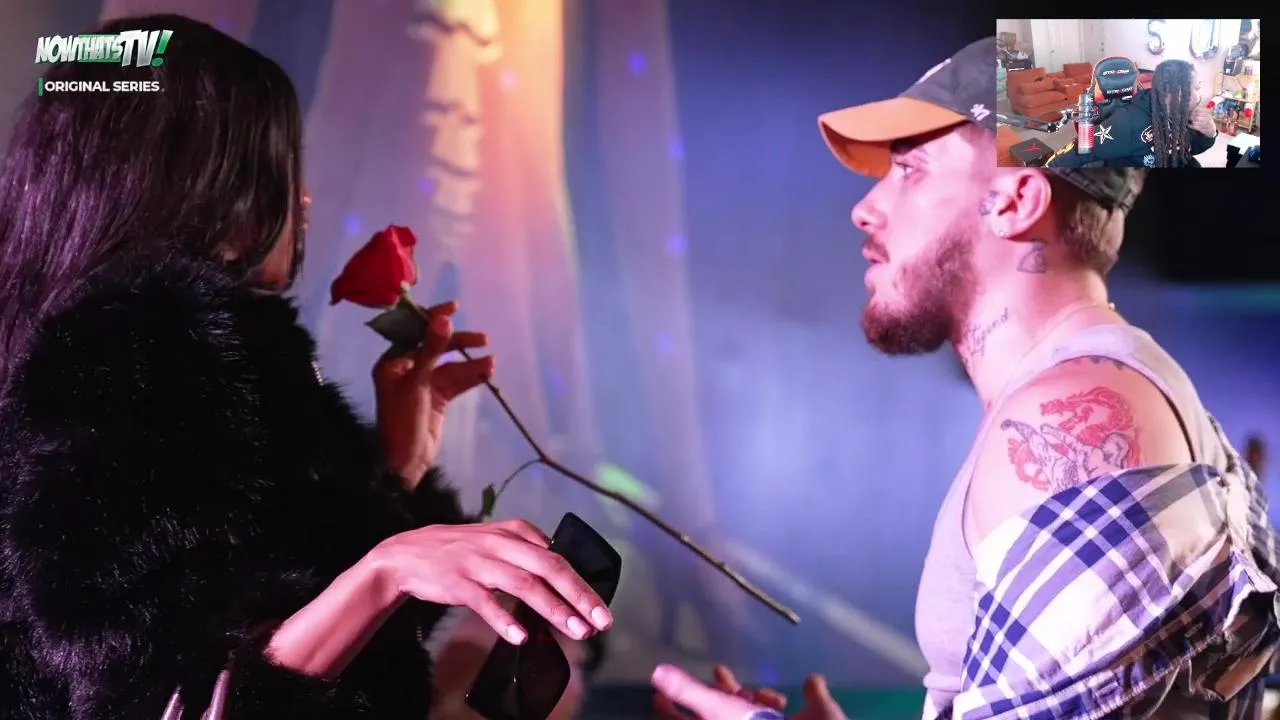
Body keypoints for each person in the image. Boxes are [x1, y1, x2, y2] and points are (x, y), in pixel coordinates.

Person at [0, 15, 612, 719]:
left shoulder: (112, 355)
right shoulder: (130, 356)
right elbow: (155, 698)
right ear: (206, 189)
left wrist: (395, 473)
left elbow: (269, 616)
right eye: (279, 169)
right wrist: (385, 573)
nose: (304, 201)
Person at [652, 36, 1280, 719]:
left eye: (910, 168)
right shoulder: (1106, 389)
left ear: (1014, 201)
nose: (866, 208)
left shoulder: (1072, 412)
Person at [1044, 58, 1217, 168]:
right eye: (1195, 88)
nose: (1199, 95)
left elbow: (1189, 150)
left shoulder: (1182, 113)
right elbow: (1072, 154)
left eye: (1199, 88)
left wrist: (1210, 132)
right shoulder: (1127, 123)